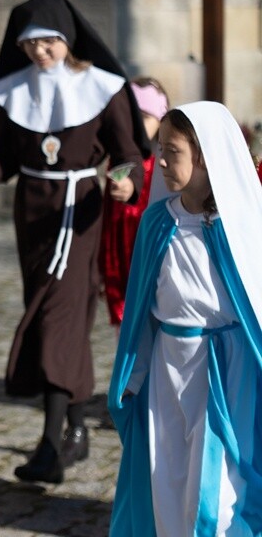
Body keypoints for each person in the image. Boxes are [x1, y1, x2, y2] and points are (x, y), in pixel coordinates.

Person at [0, 0, 149, 484]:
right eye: (30, 46)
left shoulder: (102, 88)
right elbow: (4, 161)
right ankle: (76, 426)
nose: (39, 53)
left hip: (82, 210)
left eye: (48, 43)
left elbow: (127, 151)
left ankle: (49, 447)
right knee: (55, 317)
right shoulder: (12, 90)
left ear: (68, 40)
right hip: (33, 217)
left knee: (58, 320)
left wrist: (126, 181)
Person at [108, 101, 262, 536]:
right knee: (167, 475)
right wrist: (132, 377)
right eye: (159, 149)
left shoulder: (242, 224)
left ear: (205, 157)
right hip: (167, 368)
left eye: (171, 151)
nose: (160, 161)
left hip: (228, 371)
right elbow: (142, 311)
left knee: (220, 487)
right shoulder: (158, 221)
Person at [98, 78, 169, 330]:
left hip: (152, 254)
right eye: (131, 117)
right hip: (120, 254)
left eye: (145, 118)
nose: (137, 126)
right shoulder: (117, 163)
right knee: (126, 324)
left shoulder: (163, 164)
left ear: (161, 119)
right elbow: (108, 215)